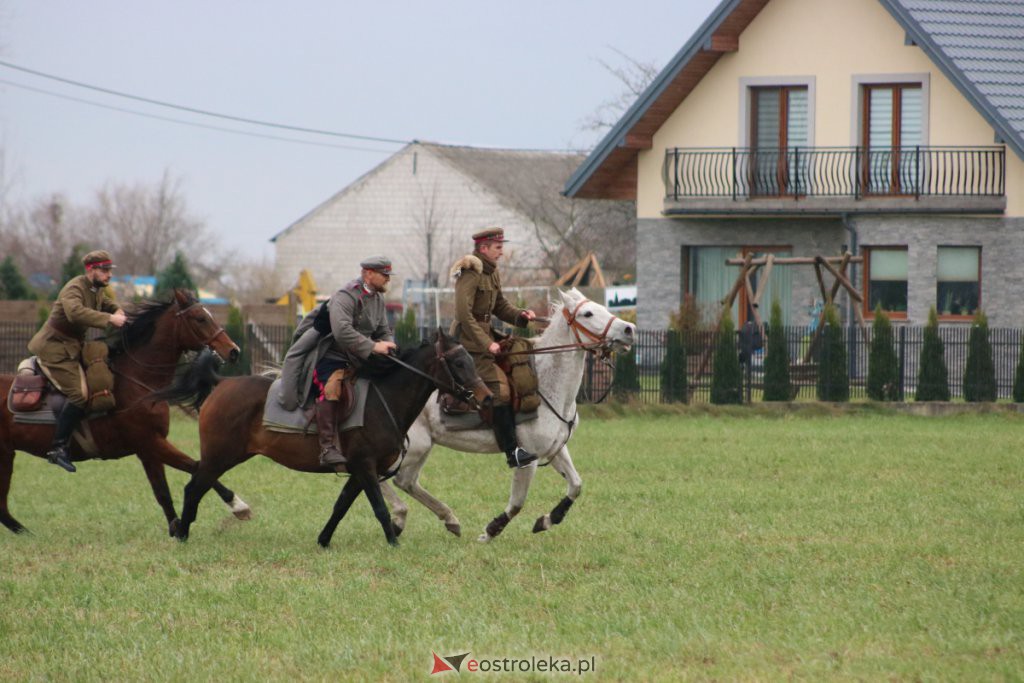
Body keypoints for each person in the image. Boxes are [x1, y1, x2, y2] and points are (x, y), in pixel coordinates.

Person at [278, 256, 397, 468]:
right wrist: (373, 347)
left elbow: (383, 329)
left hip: (358, 355)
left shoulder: (377, 298)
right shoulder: (346, 295)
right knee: (331, 387)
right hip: (330, 354)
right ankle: (327, 448)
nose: (388, 279)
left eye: (388, 275)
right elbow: (342, 332)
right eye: (384, 275)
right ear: (368, 274)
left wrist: (389, 343)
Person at [28, 250, 127, 473]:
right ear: (90, 270)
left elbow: (106, 303)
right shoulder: (74, 288)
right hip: (53, 349)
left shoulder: (95, 289)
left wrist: (119, 310)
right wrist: (110, 319)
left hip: (71, 348)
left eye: (110, 270)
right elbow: (74, 313)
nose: (109, 275)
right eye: (105, 270)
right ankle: (57, 448)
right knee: (79, 395)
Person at [449, 227, 538, 468]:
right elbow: (462, 314)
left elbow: (500, 305)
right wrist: (486, 343)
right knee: (501, 391)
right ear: (484, 248)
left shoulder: (491, 272)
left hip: (484, 340)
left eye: (501, 247)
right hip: (468, 344)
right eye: (498, 247)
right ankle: (512, 452)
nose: (502, 252)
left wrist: (521, 316)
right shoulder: (471, 271)